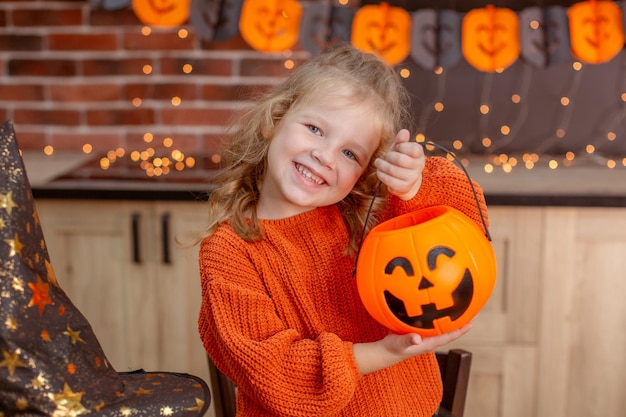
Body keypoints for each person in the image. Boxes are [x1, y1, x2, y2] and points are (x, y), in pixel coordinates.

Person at [197, 43, 488, 417]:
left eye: (351, 154)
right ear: (276, 119)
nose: (326, 156)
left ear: (363, 173)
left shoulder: (371, 217)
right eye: (316, 129)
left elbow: (469, 226)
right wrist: (383, 352)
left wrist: (413, 186)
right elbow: (270, 370)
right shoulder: (230, 252)